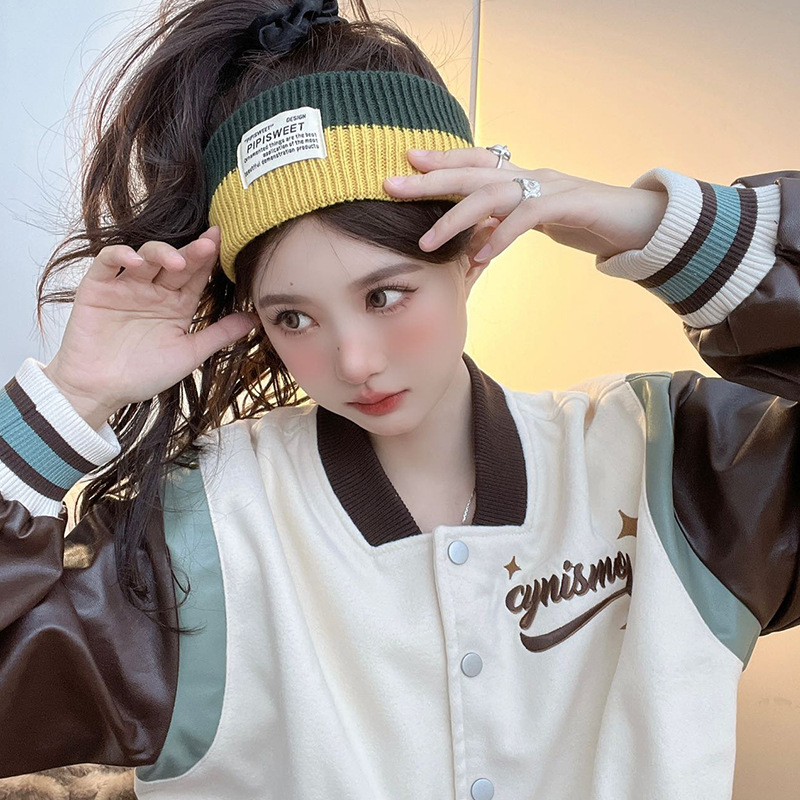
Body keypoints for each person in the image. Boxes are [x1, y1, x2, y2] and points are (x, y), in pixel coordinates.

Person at [0, 0, 797, 798]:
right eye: (293, 317)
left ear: (472, 252)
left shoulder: (671, 463)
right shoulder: (199, 530)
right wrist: (74, 394)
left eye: (384, 295)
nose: (354, 361)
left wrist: (656, 224)